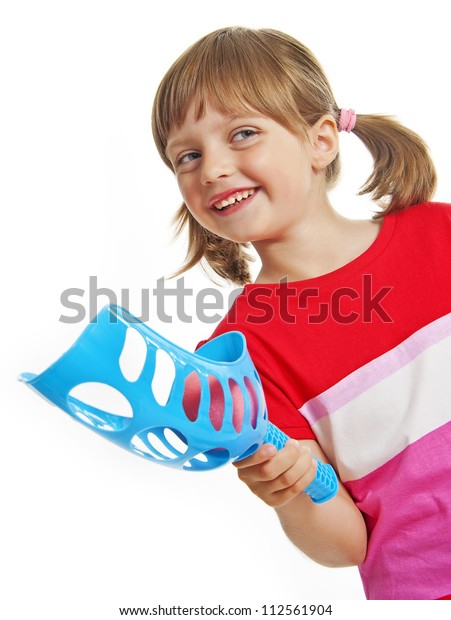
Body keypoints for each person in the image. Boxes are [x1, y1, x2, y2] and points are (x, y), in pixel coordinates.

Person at [151, 26, 451, 600]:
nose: (211, 168)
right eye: (187, 156)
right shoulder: (236, 357)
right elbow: (344, 548)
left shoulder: (441, 234)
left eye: (242, 133)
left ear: (321, 142)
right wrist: (291, 486)